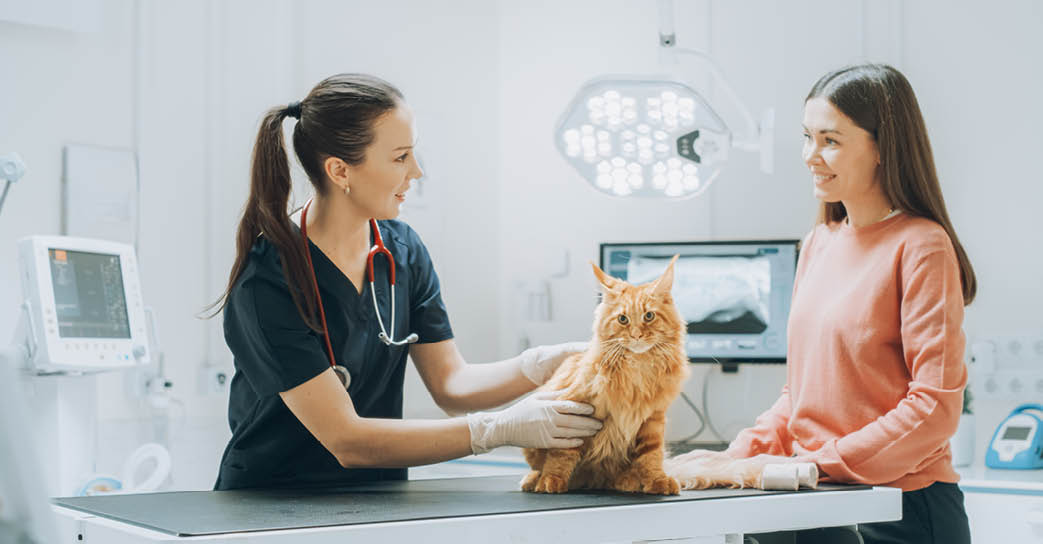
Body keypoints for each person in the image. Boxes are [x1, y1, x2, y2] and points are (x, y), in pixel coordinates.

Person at [208, 73, 601, 491]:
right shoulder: (267, 283)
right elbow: (347, 440)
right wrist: (494, 430)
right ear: (340, 171)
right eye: (400, 157)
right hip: (271, 508)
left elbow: (453, 386)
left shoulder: (402, 251)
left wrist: (543, 363)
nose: (416, 171)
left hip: (378, 501)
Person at [733, 64, 976, 543]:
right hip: (815, 500)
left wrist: (815, 464)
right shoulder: (818, 243)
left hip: (901, 509)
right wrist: (739, 454)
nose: (810, 155)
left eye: (831, 140)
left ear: (883, 147)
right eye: (807, 137)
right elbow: (799, 395)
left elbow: (933, 409)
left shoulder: (921, 244)